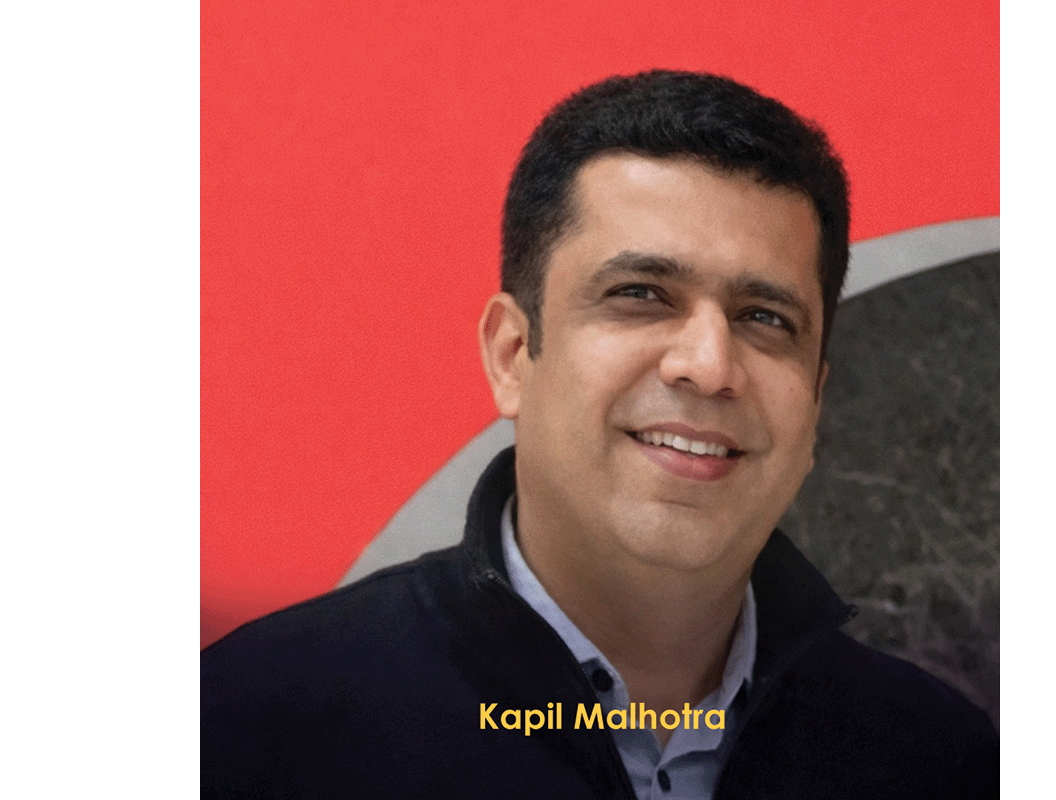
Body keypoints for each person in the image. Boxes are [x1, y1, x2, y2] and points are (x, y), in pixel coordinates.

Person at [201, 70, 999, 799]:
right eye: (641, 294)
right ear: (514, 354)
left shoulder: (941, 763)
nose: (709, 365)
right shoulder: (248, 729)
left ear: (816, 399)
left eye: (765, 317)